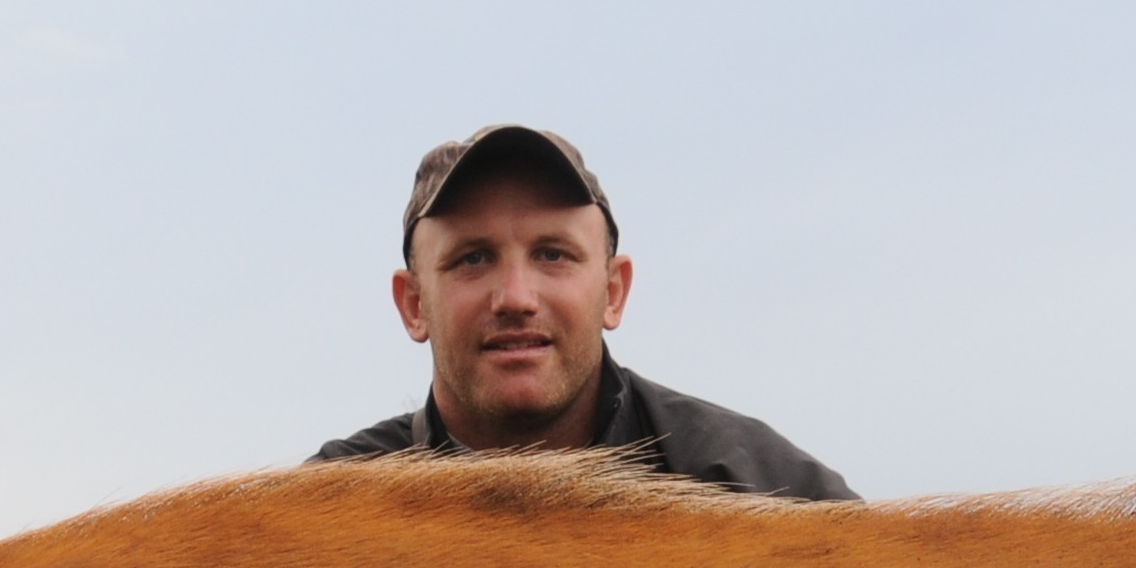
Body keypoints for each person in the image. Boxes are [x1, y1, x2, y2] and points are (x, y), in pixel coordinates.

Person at [309, 123, 857, 500]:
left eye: (554, 255)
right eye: (472, 259)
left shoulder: (753, 486)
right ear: (413, 305)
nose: (517, 298)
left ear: (613, 291)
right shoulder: (322, 510)